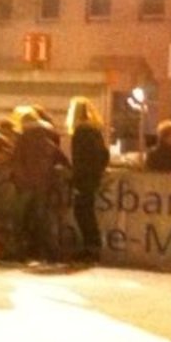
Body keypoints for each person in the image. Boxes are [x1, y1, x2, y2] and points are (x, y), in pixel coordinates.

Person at [11, 105, 70, 263]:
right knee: (43, 218)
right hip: (44, 183)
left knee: (20, 218)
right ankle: (52, 254)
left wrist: (19, 179)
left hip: (26, 184)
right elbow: (60, 158)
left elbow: (17, 159)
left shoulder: (24, 136)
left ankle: (19, 252)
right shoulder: (50, 136)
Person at [67, 96, 110, 264]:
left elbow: (80, 159)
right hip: (92, 178)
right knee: (86, 212)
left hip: (84, 179)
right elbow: (104, 155)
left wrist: (78, 178)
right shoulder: (94, 130)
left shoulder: (81, 131)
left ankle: (91, 248)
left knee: (83, 213)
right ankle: (92, 248)